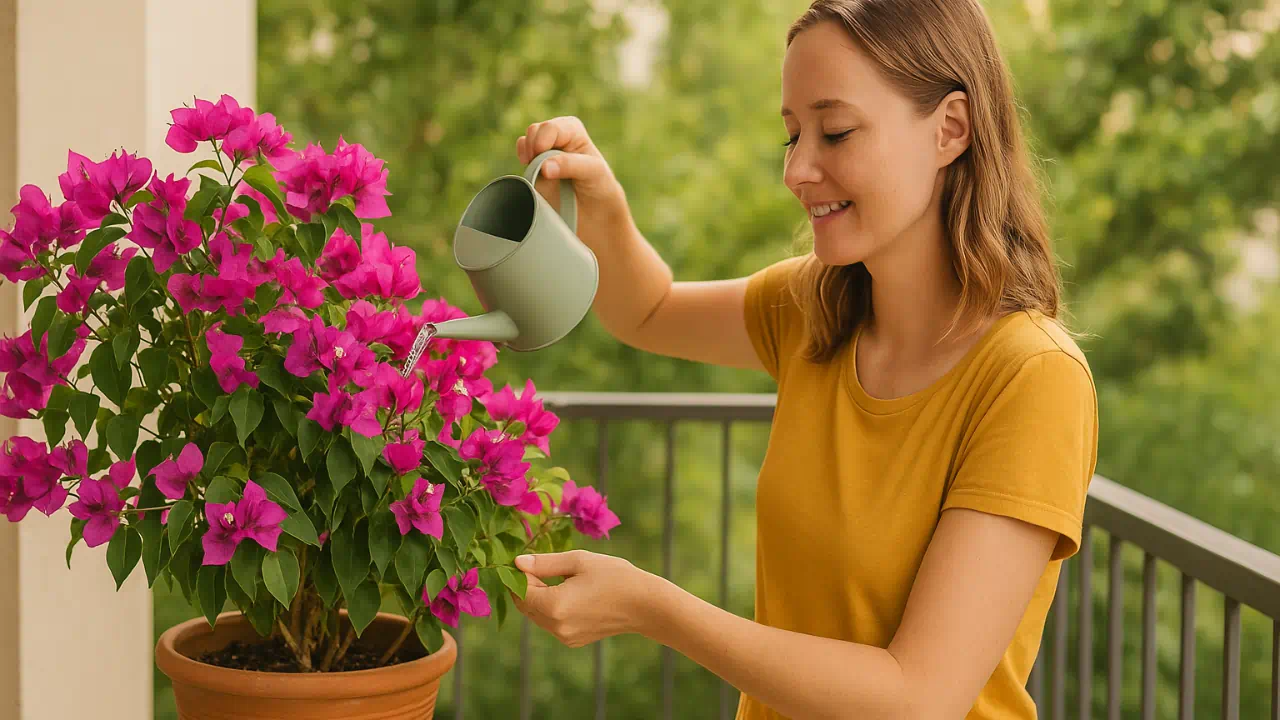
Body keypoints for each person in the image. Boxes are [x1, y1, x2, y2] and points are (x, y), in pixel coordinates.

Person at [509, 1, 1099, 718]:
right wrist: (600, 202)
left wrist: (651, 607)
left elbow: (917, 698)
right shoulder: (819, 311)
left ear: (950, 129)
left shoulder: (1032, 378)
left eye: (836, 131)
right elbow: (648, 310)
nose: (797, 169)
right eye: (791, 135)